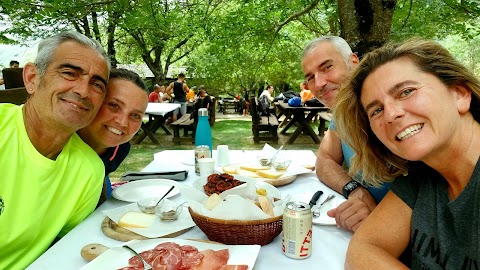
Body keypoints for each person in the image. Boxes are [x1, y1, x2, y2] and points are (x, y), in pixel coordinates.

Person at [334, 39, 480, 269]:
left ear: (460, 94)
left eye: (406, 92)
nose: (390, 114)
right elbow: (363, 248)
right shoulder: (422, 175)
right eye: (377, 110)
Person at [0, 31, 110, 269]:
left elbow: (71, 251)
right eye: (69, 73)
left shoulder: (89, 171)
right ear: (32, 78)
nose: (83, 91)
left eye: (97, 84)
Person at [301, 36, 390, 232]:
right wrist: (355, 190)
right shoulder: (343, 112)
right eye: (310, 77)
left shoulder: (386, 110)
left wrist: (377, 217)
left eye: (326, 67)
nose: (319, 83)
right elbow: (324, 159)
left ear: (353, 61)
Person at [78, 68, 148, 205]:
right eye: (114, 105)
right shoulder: (60, 144)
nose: (122, 122)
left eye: (135, 115)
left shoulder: (120, 149)